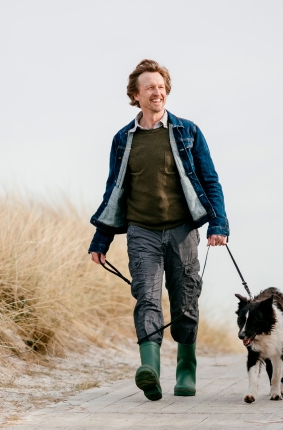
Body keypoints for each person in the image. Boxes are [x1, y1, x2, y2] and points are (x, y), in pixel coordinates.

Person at [88, 59, 229, 401]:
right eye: (150, 86)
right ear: (135, 95)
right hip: (142, 233)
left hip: (182, 231)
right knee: (147, 299)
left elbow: (210, 180)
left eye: (161, 86)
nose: (158, 91)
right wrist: (101, 238)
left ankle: (185, 370)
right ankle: (149, 368)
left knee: (185, 301)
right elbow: (115, 191)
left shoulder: (188, 132)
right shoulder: (124, 139)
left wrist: (218, 223)